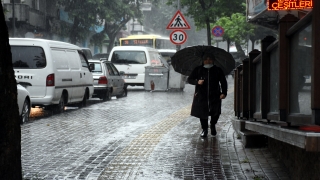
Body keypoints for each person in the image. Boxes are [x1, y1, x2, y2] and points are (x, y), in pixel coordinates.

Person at [187, 53, 228, 137]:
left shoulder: (218, 70)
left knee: (215, 112)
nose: (208, 61)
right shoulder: (198, 69)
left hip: (215, 94)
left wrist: (224, 93)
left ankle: (213, 125)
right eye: (206, 59)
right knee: (202, 112)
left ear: (213, 60)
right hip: (201, 95)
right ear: (203, 60)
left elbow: (223, 82)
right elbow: (189, 79)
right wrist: (197, 82)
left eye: (210, 59)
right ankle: (204, 129)